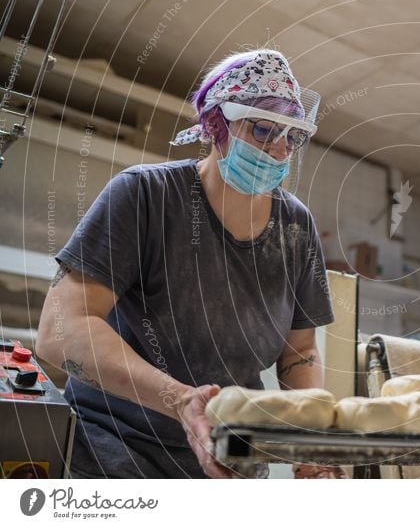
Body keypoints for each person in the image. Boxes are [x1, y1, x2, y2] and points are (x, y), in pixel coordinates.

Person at [36, 49, 341, 478]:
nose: (278, 150)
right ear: (216, 126)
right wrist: (181, 401)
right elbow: (60, 331)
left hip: (226, 466)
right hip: (114, 454)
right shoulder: (146, 196)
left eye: (291, 137)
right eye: (262, 130)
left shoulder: (296, 227)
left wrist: (307, 436)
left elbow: (299, 351)